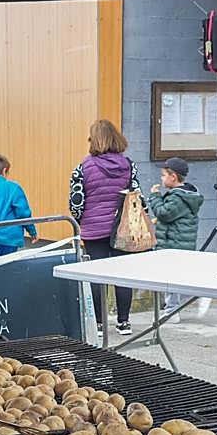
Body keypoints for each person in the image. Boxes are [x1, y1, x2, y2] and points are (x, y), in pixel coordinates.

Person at [69, 119, 140, 337]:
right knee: (123, 275)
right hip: (123, 228)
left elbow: (76, 202)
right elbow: (136, 195)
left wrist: (82, 221)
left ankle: (99, 324)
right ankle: (124, 322)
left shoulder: (83, 167)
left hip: (94, 230)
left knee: (97, 275)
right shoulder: (128, 164)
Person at [147, 156, 207, 321]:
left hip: (173, 244)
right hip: (178, 243)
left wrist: (154, 196)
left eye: (163, 175)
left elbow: (164, 214)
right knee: (171, 277)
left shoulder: (177, 197)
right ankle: (170, 308)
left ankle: (172, 311)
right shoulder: (185, 195)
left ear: (173, 176)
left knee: (170, 278)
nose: (161, 178)